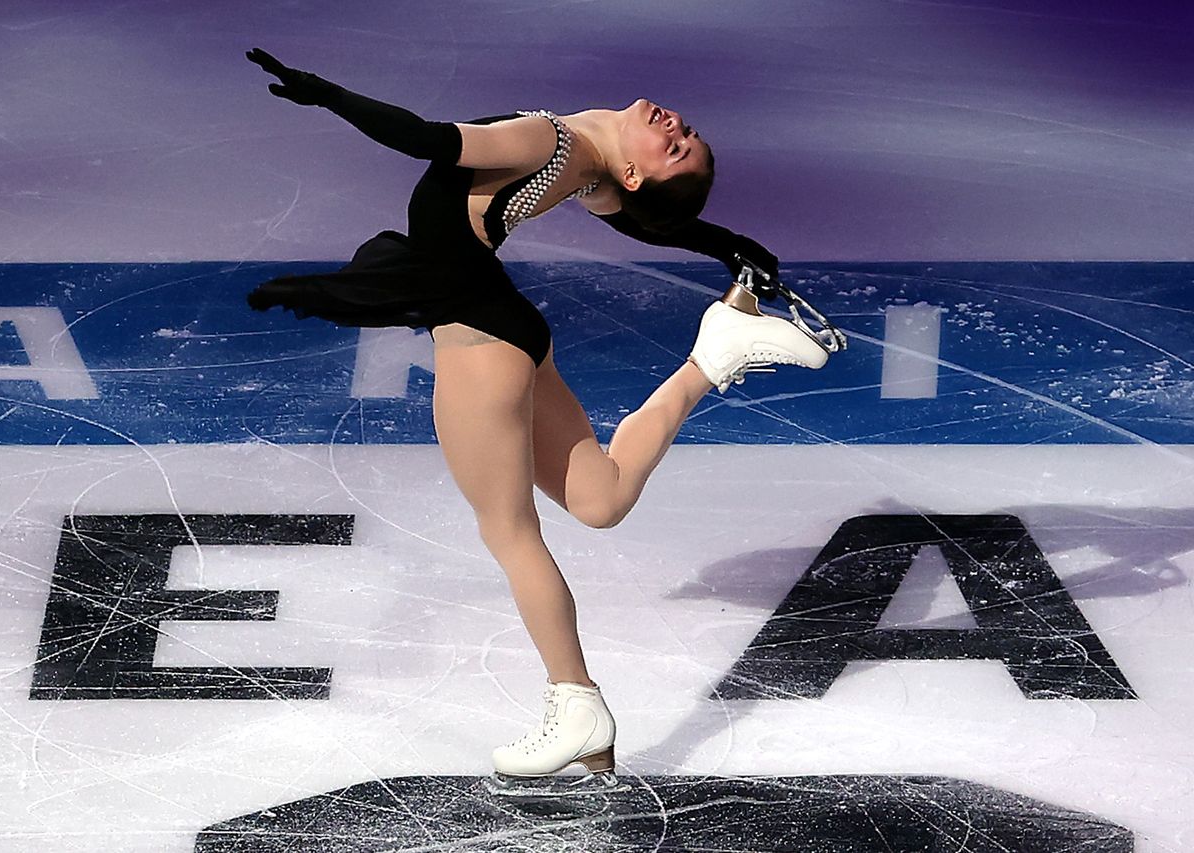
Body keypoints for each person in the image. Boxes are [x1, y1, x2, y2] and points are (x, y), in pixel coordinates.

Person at [244, 48, 833, 791]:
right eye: (684, 134)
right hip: (505, 326)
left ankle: (575, 699)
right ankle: (712, 358)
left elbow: (430, 139)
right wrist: (727, 244)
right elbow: (645, 226)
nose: (675, 125)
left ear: (632, 175)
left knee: (509, 532)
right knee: (601, 496)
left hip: (480, 340)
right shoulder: (589, 163)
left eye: (675, 147)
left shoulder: (553, 143)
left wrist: (330, 92)